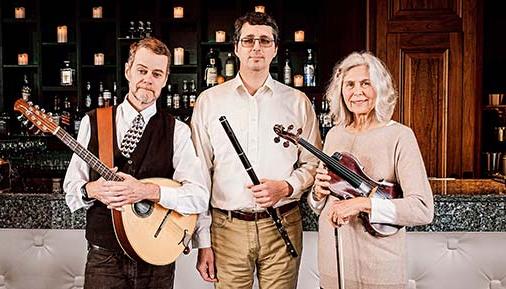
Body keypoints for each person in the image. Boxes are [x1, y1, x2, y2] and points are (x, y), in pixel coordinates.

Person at [63, 37, 209, 289]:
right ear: (128, 70)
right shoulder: (95, 122)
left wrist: (147, 191)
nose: (148, 79)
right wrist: (92, 189)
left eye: (156, 73)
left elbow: (197, 197)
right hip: (104, 258)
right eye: (142, 70)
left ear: (165, 80)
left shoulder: (177, 131)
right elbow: (71, 188)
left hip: (157, 257)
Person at [191, 12, 321, 289]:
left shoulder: (298, 102)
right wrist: (203, 241)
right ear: (236, 47)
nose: (256, 47)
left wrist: (286, 187)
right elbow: (199, 174)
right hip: (226, 229)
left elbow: (313, 164)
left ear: (275, 48)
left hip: (283, 223)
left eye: (265, 40)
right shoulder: (209, 101)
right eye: (248, 40)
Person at [308, 51, 434, 289]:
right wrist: (317, 194)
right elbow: (321, 206)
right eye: (350, 85)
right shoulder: (335, 134)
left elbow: (422, 209)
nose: (357, 92)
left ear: (381, 89)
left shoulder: (399, 136)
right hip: (333, 267)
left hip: (379, 270)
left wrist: (363, 204)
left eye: (366, 83)